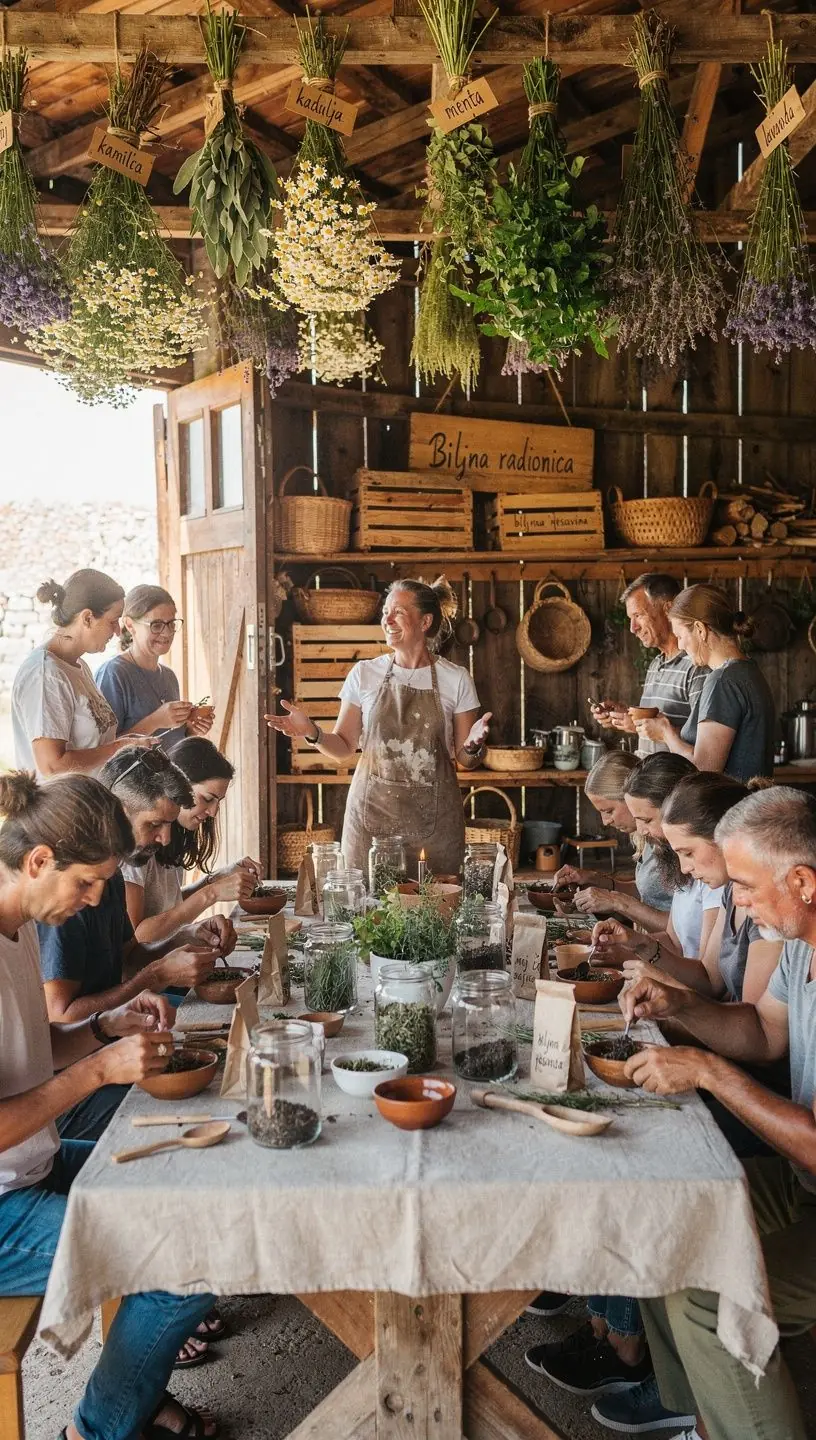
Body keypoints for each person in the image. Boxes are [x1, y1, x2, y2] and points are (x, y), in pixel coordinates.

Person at [0, 769, 218, 1440]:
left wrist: (104, 1029)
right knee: (185, 1260)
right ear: (38, 861)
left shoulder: (19, 926)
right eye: (87, 883)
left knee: (197, 1196)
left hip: (30, 1168)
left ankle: (132, 1397)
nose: (96, 899)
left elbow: (33, 1046)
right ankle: (96, 1430)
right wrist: (98, 1070)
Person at [619, 786, 816, 1440]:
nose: (737, 901)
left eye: (747, 886)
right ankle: (701, 1419)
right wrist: (682, 1006)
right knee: (663, 1211)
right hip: (800, 1185)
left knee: (715, 1294)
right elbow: (764, 1032)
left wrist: (706, 1070)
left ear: (803, 882)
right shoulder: (800, 942)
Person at [37, 748, 224, 1135]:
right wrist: (155, 976)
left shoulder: (113, 875)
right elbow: (63, 1017)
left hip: (112, 1044)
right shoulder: (68, 898)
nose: (165, 837)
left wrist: (185, 937)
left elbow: (130, 956)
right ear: (117, 813)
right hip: (73, 1086)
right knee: (198, 1107)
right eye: (155, 823)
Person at [265, 578, 492, 877]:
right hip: (370, 822)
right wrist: (312, 732)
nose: (387, 620)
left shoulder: (456, 679)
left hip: (435, 825)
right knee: (365, 904)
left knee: (436, 903)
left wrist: (473, 745)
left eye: (398, 612)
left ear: (425, 622)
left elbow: (466, 760)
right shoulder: (365, 674)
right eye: (385, 612)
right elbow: (344, 746)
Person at [11, 570, 155, 777]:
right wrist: (120, 747)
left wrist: (127, 743)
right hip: (61, 799)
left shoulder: (78, 665)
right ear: (87, 618)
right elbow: (52, 765)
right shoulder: (46, 675)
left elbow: (92, 746)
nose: (117, 632)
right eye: (113, 621)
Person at [124, 737, 260, 944]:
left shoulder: (174, 836)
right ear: (177, 786)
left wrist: (215, 879)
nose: (213, 812)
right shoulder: (137, 843)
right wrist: (211, 893)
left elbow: (169, 906)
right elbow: (136, 937)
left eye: (218, 802)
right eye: (207, 799)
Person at [634, 583, 775, 782]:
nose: (680, 645)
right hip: (751, 800)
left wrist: (666, 734)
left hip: (730, 801)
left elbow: (703, 770)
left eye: (680, 636)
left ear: (700, 630)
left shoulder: (722, 681)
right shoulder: (749, 670)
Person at [590, 574, 708, 756]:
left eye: (638, 615)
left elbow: (707, 741)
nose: (633, 628)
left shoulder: (696, 665)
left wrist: (642, 727)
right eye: (631, 618)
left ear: (668, 609)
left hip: (675, 775)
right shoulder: (656, 664)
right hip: (646, 772)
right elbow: (654, 725)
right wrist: (626, 715)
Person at [555, 751, 673, 924]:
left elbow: (681, 930)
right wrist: (594, 879)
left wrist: (616, 901)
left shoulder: (677, 844)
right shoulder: (648, 838)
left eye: (609, 811)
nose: (605, 821)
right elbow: (649, 893)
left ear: (631, 797)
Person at [96, 584, 215, 751]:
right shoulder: (113, 673)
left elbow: (168, 743)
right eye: (156, 625)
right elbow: (102, 750)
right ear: (130, 624)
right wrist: (155, 721)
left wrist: (190, 731)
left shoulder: (169, 676)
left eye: (171, 624)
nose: (167, 633)